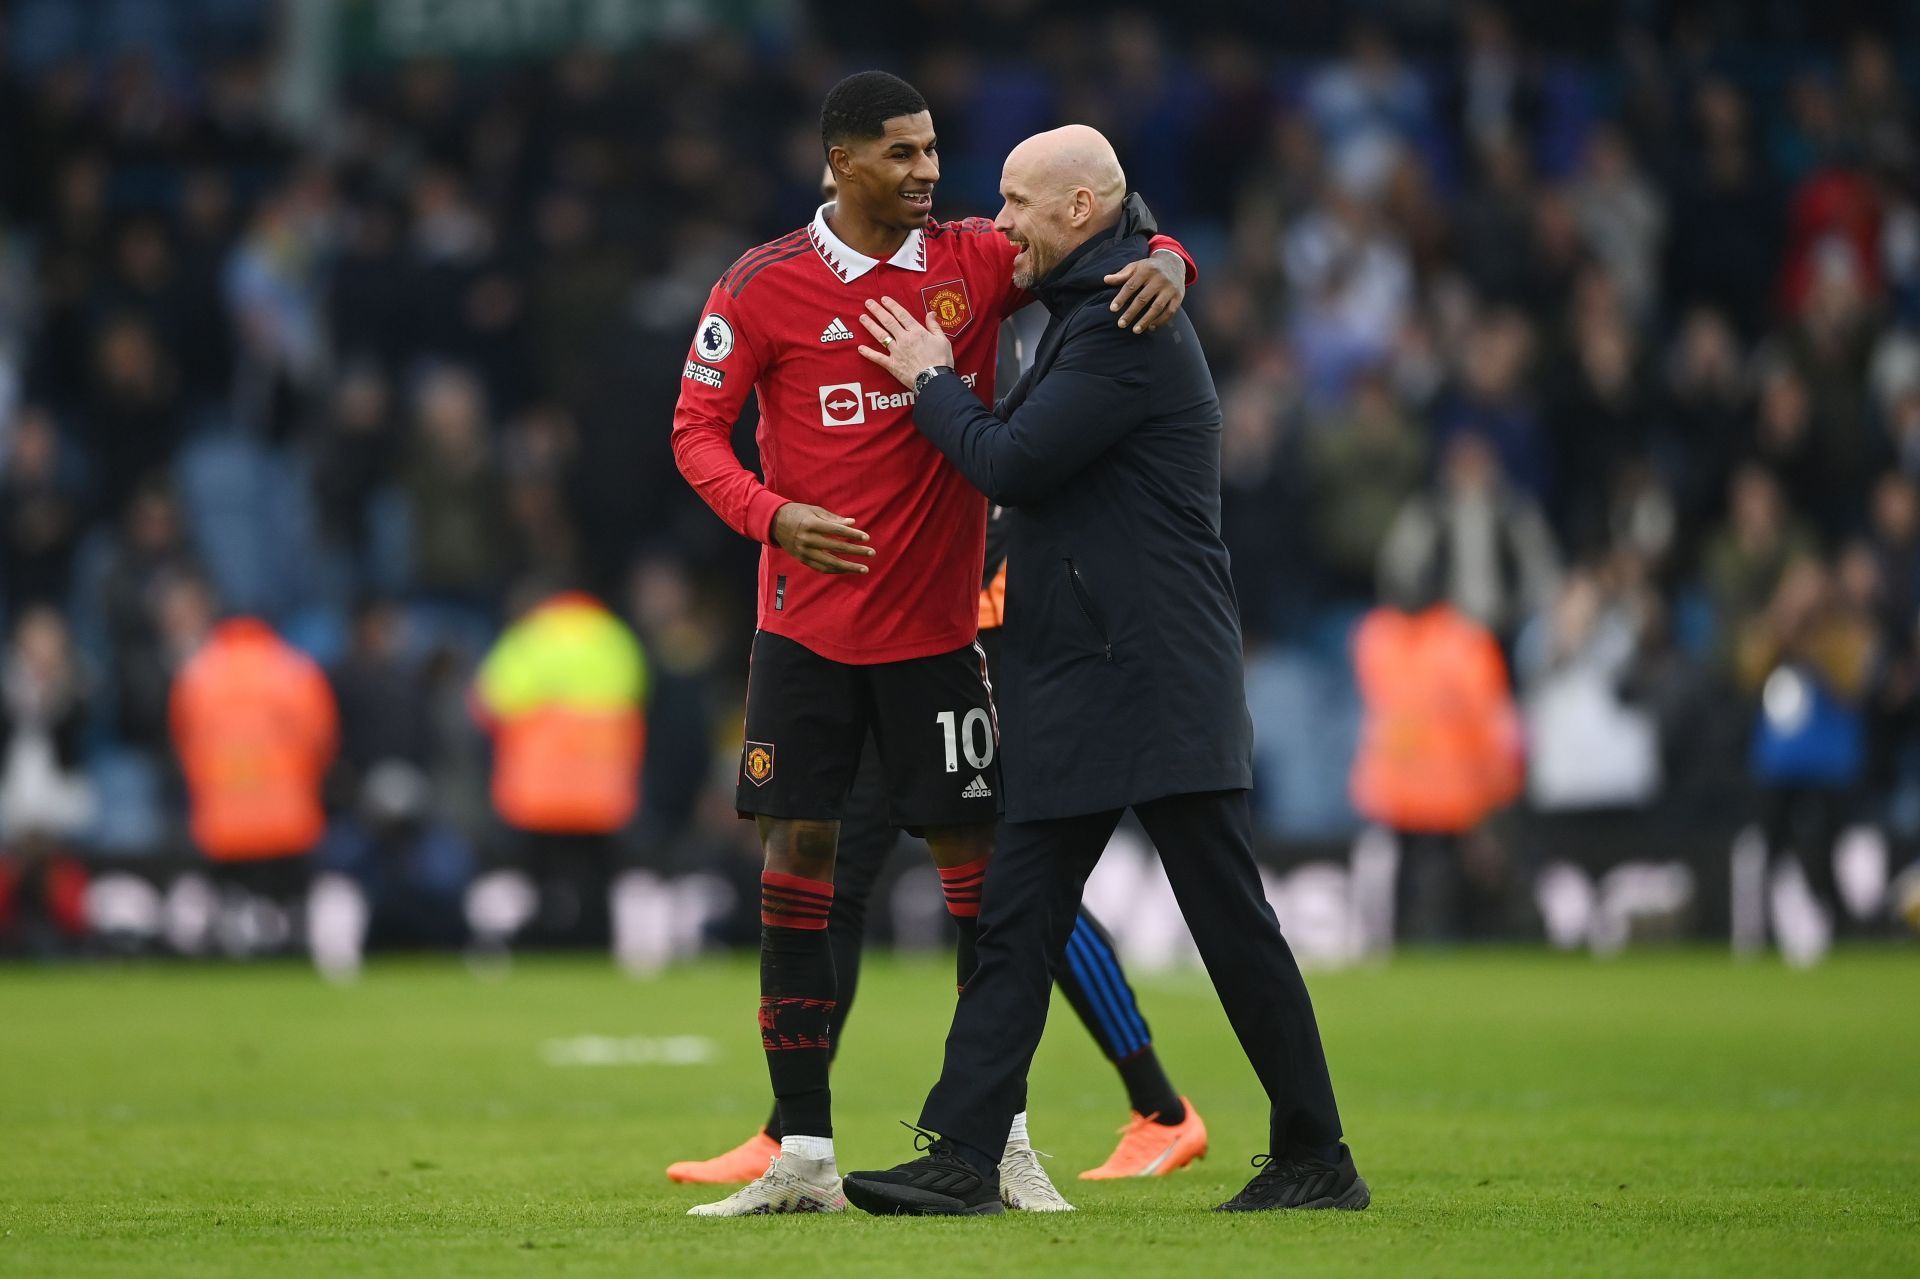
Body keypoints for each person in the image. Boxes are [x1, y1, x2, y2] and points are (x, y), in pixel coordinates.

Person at [669, 71, 1195, 1217]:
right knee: (799, 865)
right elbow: (696, 432)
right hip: (801, 635)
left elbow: (1101, 230)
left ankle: (996, 1142)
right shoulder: (760, 286)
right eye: (901, 155)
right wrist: (772, 514)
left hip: (941, 639)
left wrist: (1172, 261)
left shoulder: (973, 261)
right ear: (840, 163)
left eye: (930, 150)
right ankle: (799, 1150)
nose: (927, 173)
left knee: (985, 892)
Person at [842, 126, 1363, 1216]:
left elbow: (1012, 464)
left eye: (1019, 203)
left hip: (1157, 670)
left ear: (1079, 210)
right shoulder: (1099, 305)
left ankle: (1318, 1156)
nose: (999, 223)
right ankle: (964, 1154)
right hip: (1087, 671)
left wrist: (935, 382)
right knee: (1016, 916)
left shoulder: (1123, 325)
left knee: (1228, 923)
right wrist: (1174, 249)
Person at [468, 586, 647, 952]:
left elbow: (489, 703)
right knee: (597, 878)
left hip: (540, 790)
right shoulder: (615, 638)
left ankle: (538, 942)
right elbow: (638, 697)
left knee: (538, 878)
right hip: (601, 790)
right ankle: (598, 943)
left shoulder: (528, 638)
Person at [169, 614, 337, 959]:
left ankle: (221, 946)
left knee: (228, 895)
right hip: (287, 816)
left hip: (222, 819)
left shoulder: (199, 673)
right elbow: (323, 739)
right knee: (289, 902)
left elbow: (182, 741)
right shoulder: (295, 670)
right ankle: (293, 943)